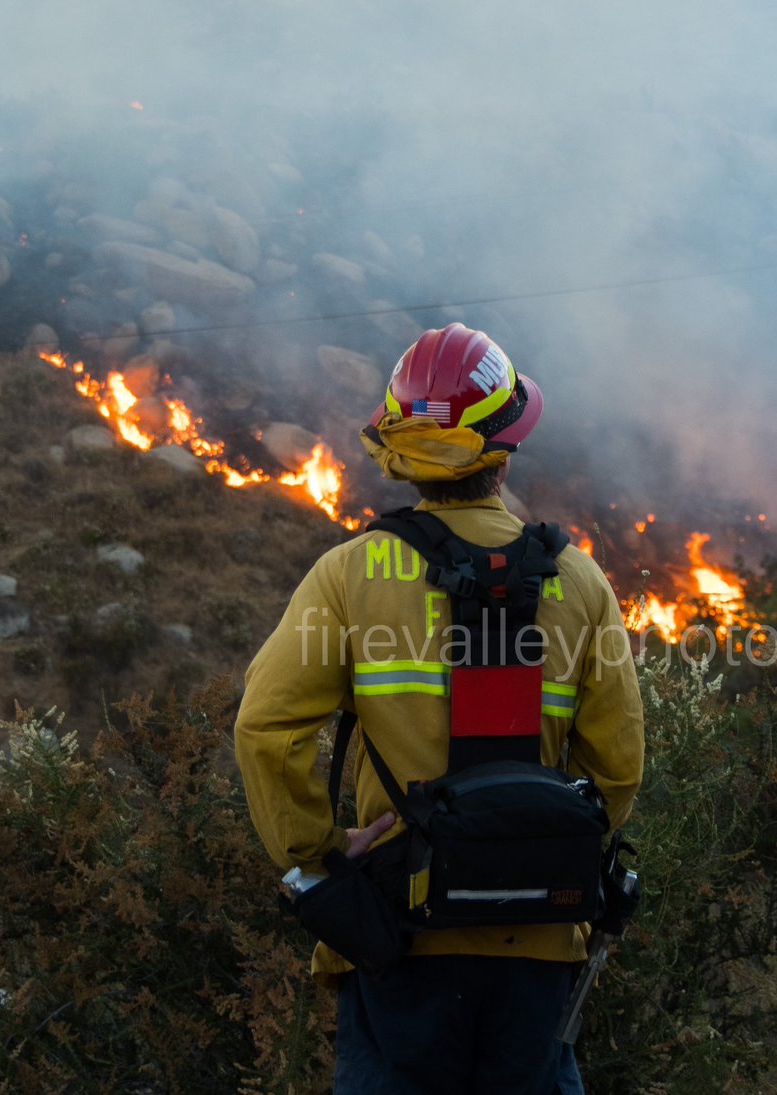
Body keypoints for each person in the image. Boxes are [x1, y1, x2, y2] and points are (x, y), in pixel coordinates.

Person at [234, 323, 645, 1094]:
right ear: (505, 446)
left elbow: (265, 729)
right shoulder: (583, 583)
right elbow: (617, 767)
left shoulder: (349, 574)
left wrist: (320, 853)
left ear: (399, 450)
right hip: (541, 943)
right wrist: (545, 852)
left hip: (397, 935)